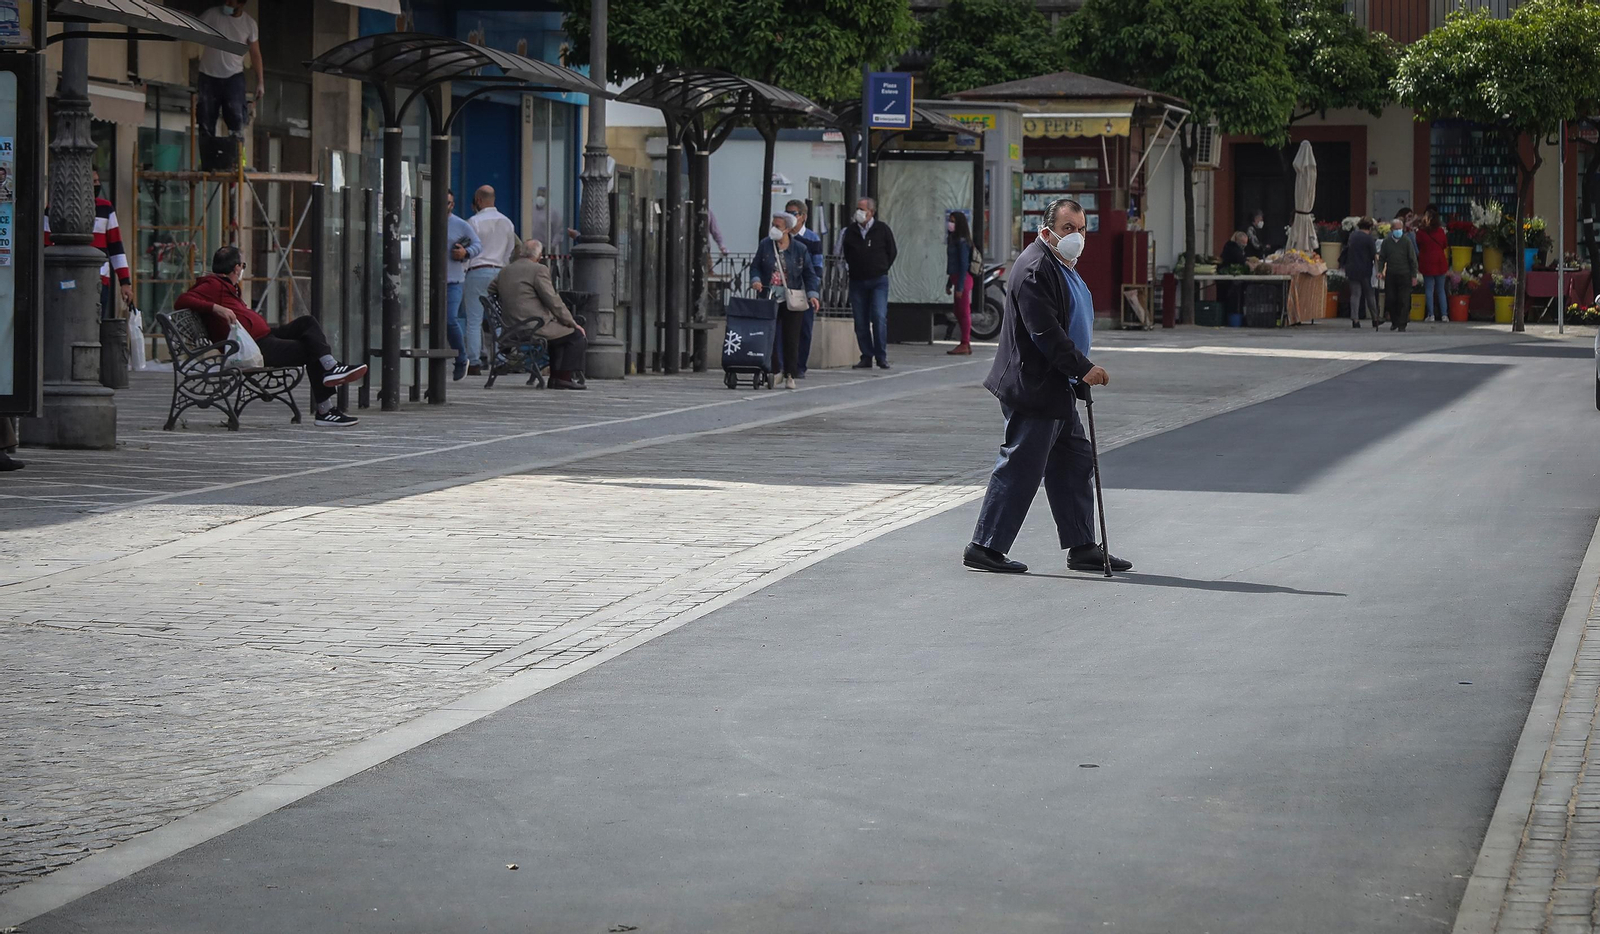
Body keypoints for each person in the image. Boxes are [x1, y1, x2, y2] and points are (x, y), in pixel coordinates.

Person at [963, 197, 1131, 576]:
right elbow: (1046, 333)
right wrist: (1083, 368)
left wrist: (1076, 375)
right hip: (1034, 387)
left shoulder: (1061, 264)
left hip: (1057, 386)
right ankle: (984, 546)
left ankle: (1082, 545)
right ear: (1046, 231)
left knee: (1074, 460)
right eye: (1068, 228)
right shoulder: (1036, 269)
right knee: (1022, 466)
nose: (1077, 236)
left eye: (1082, 229)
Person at [175, 246, 367, 426]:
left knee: (307, 322)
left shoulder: (227, 287)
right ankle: (325, 410)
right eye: (243, 265)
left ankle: (331, 366)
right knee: (310, 349)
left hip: (263, 337)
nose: (243, 269)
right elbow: (182, 300)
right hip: (254, 347)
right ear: (236, 268)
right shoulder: (212, 285)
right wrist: (216, 308)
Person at [488, 239, 588, 390]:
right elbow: (553, 300)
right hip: (534, 326)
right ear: (539, 255)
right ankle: (562, 378)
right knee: (576, 336)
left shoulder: (505, 271)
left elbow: (491, 289)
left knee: (559, 336)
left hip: (511, 328)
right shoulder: (538, 270)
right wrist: (572, 322)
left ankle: (556, 378)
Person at [43, 169, 132, 320]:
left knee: (94, 321)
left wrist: (125, 282)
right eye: (93, 182)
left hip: (99, 280)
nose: (97, 185)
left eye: (97, 181)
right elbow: (45, 244)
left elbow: (116, 248)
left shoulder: (105, 208)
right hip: (64, 278)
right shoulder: (54, 209)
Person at [750, 212, 821, 390]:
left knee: (791, 337)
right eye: (773, 225)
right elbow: (755, 266)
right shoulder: (765, 245)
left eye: (778, 226)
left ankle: (790, 373)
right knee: (771, 336)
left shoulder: (799, 249)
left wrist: (813, 294)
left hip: (792, 297)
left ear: (788, 229)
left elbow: (809, 273)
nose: (774, 229)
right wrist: (756, 280)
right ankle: (775, 371)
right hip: (770, 297)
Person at [460, 185, 518, 376]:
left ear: (478, 200)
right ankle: (501, 359)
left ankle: (475, 362)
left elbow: (468, 251)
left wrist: (464, 271)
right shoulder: (507, 223)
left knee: (474, 320)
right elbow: (510, 252)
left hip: (477, 271)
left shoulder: (473, 222)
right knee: (499, 320)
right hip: (499, 273)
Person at [195, 0, 263, 157]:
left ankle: (235, 161)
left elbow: (255, 54)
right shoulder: (212, 14)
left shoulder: (249, 24)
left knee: (236, 121)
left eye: (231, 2)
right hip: (208, 75)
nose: (226, 4)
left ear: (241, 4)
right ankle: (208, 161)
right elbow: (195, 28)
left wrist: (260, 82)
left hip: (233, 77)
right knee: (206, 122)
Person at [841, 197, 897, 370]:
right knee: (860, 320)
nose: (858, 212)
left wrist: (881, 267)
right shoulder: (851, 231)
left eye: (862, 209)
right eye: (857, 208)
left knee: (879, 316)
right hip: (857, 280)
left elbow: (892, 251)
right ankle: (866, 355)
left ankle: (881, 356)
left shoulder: (882, 229)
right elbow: (847, 253)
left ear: (871, 212)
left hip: (878, 280)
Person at [443, 189, 482, 381]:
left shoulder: (461, 224)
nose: (445, 206)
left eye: (448, 203)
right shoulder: (424, 220)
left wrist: (465, 253)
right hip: (426, 280)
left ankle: (461, 358)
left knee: (450, 319)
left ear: (453, 205)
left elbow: (477, 245)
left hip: (453, 280)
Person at [785, 199, 824, 377]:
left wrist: (812, 289)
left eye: (793, 214)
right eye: (787, 213)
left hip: (803, 290)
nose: (790, 217)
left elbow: (817, 266)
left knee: (804, 329)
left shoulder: (812, 239)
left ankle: (800, 366)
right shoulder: (783, 236)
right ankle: (785, 366)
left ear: (803, 216)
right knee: (784, 329)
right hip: (785, 289)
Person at [1379, 213, 1420, 332]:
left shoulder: (1406, 241)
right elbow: (1382, 258)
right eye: (1396, 229)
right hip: (1391, 274)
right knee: (1391, 299)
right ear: (1392, 229)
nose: (1398, 231)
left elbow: (1412, 259)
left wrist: (1414, 275)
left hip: (1404, 274)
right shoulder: (1387, 242)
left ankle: (1402, 323)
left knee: (1404, 300)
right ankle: (1394, 321)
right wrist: (1380, 271)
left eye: (1400, 229)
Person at [1342, 218, 1380, 329]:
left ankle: (1355, 320)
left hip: (1352, 268)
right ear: (1370, 227)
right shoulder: (1369, 238)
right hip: (1365, 269)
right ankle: (1375, 318)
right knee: (1370, 294)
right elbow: (1374, 254)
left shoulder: (1352, 236)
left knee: (1355, 294)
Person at [945, 210, 974, 355]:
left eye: (953, 221)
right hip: (956, 279)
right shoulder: (953, 239)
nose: (950, 224)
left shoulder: (962, 241)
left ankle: (965, 343)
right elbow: (953, 264)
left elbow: (963, 265)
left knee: (963, 312)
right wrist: (949, 283)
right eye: (949, 221)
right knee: (958, 311)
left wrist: (960, 287)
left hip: (963, 280)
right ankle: (965, 343)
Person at [1417, 204, 1450, 322]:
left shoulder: (1421, 232)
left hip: (1427, 261)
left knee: (1429, 289)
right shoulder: (1440, 231)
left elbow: (1418, 245)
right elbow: (1445, 244)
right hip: (1440, 261)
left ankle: (1431, 315)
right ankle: (1444, 315)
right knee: (1441, 290)